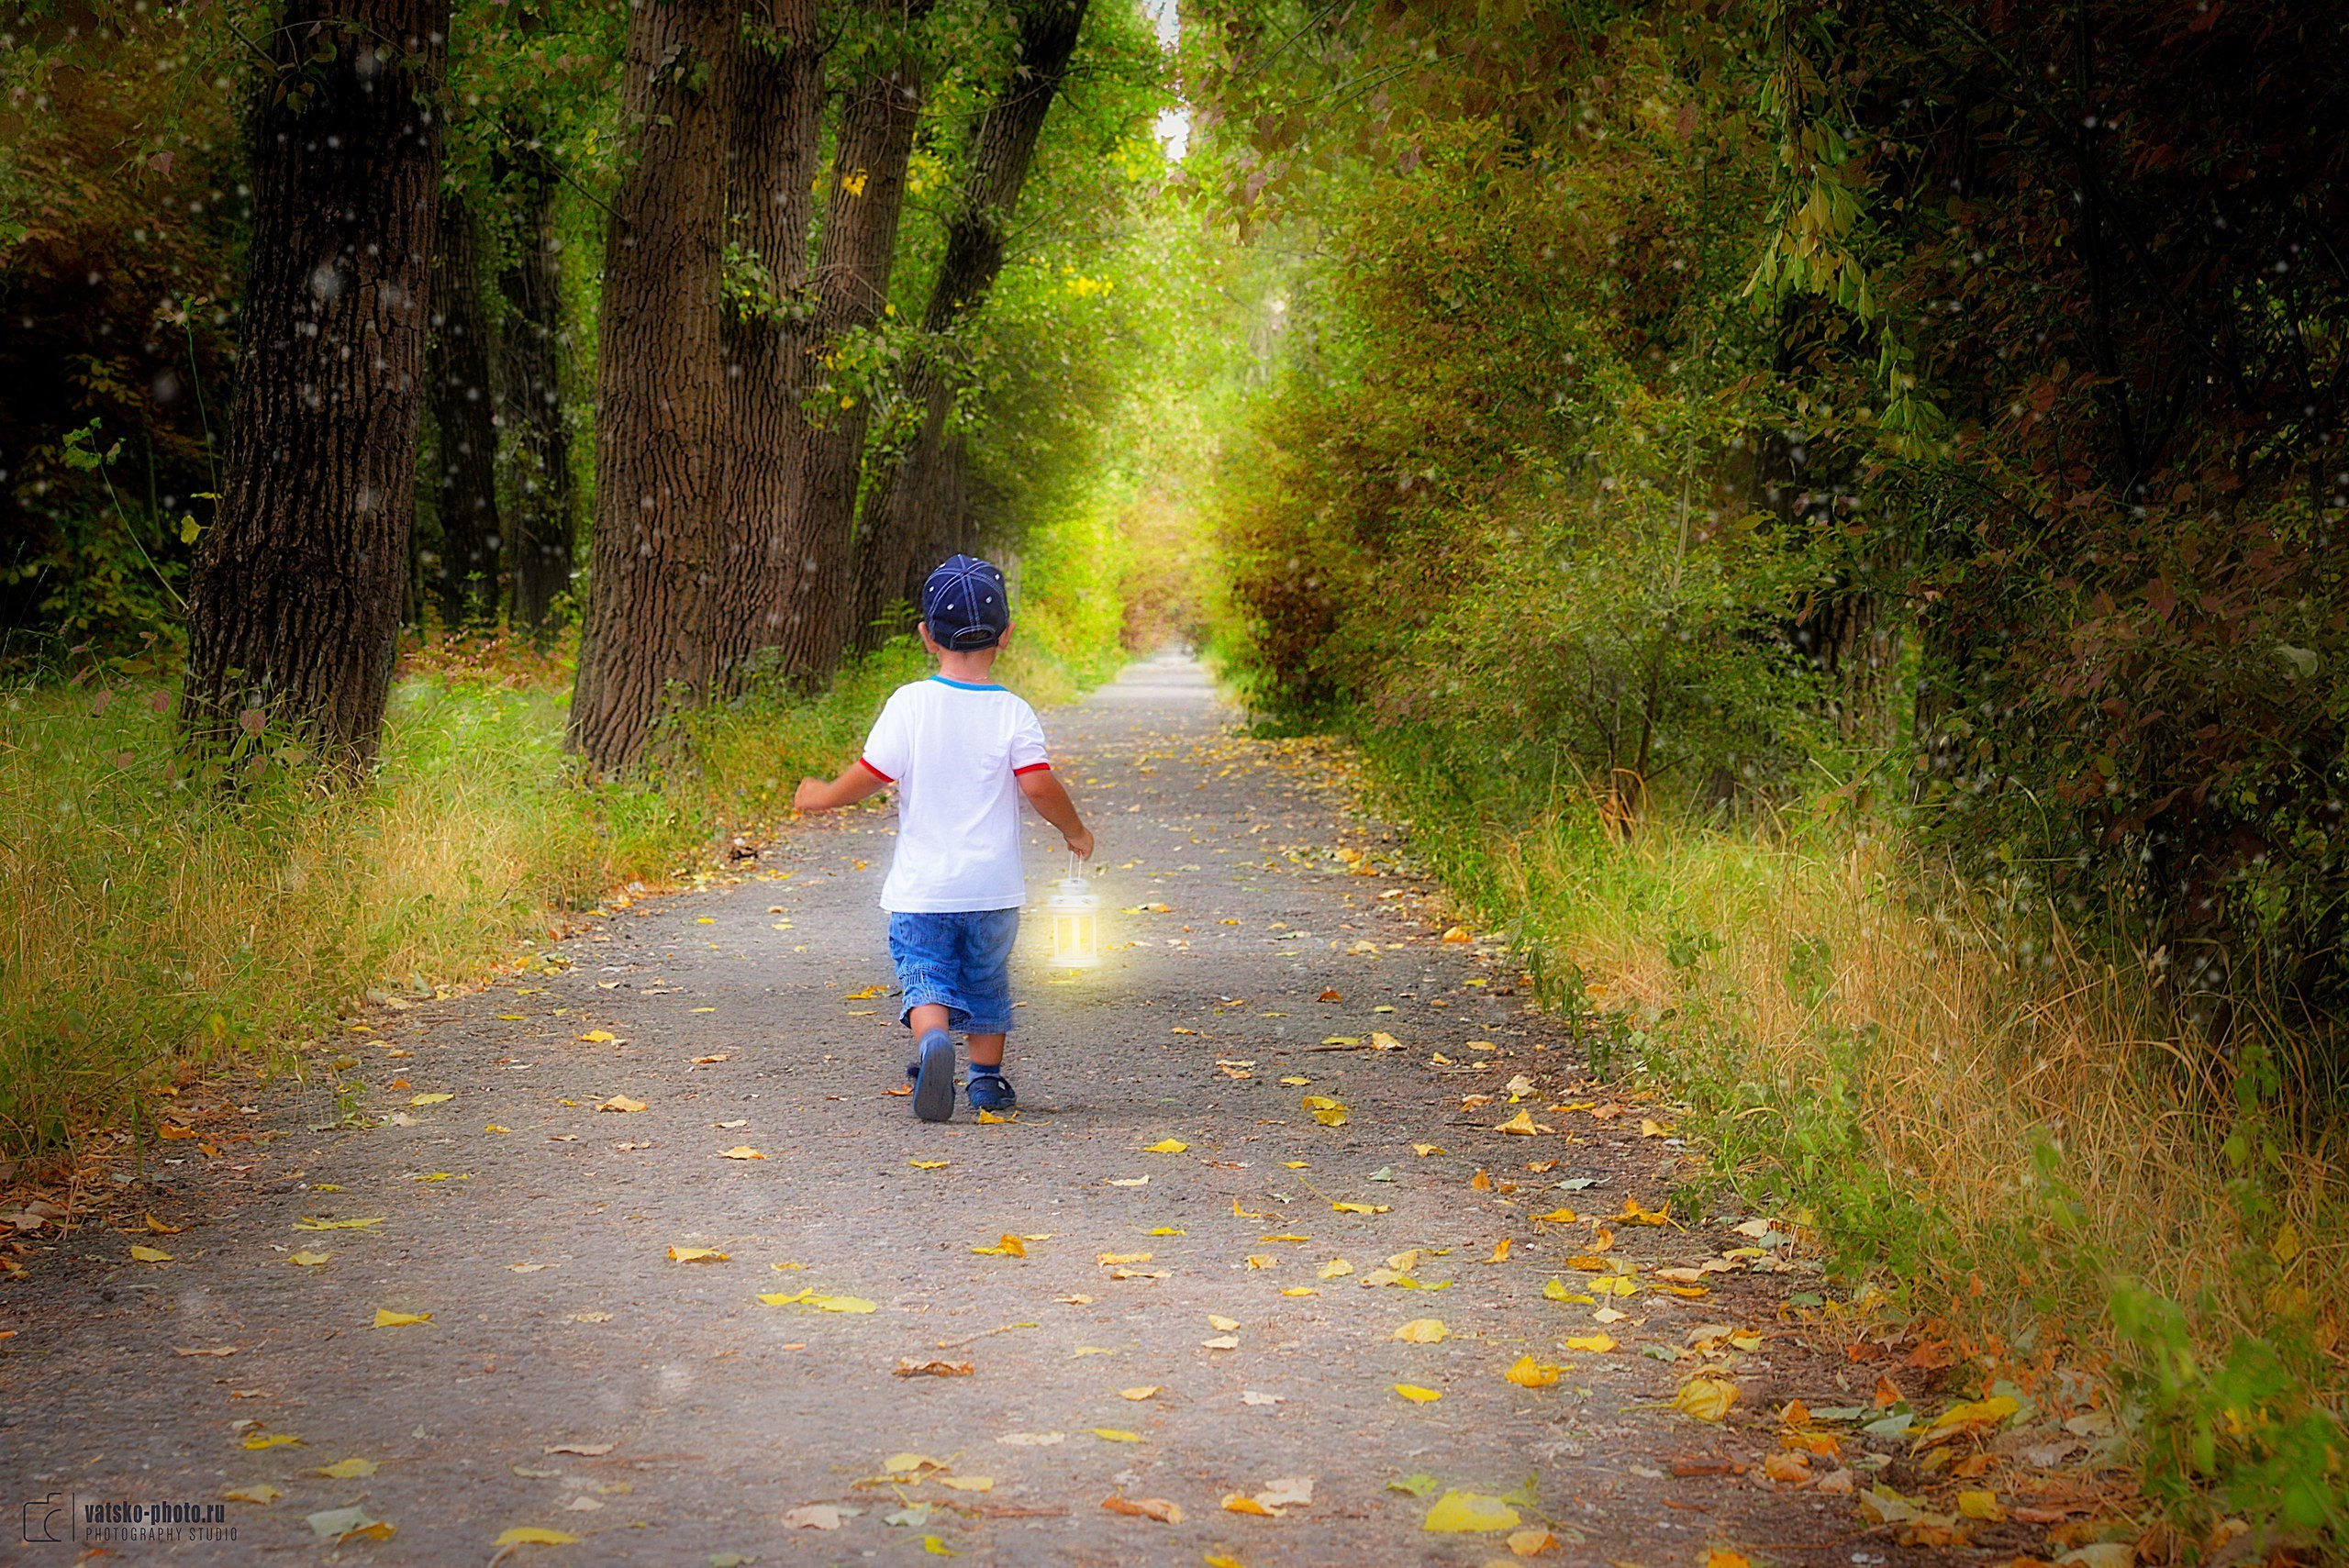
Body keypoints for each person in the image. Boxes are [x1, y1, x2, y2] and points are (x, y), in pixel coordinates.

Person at [792, 554, 1095, 1122]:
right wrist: (1074, 830)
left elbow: (873, 775)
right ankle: (986, 1082)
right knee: (985, 980)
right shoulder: (1013, 712)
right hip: (992, 890)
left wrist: (826, 794)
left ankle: (933, 1044)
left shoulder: (910, 703)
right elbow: (1038, 785)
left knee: (925, 974)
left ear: (927, 636)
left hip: (922, 890)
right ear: (1005, 635)